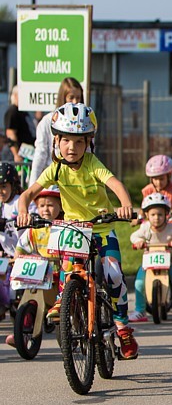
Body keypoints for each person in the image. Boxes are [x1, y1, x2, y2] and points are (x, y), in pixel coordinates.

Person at [16, 103, 139, 359]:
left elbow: (114, 183)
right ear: (56, 141)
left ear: (89, 143)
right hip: (73, 230)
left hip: (101, 228)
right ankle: (64, 299)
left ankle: (122, 325)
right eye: (66, 141)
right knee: (68, 269)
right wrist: (23, 209)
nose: (72, 148)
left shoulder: (93, 164)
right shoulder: (56, 169)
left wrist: (125, 205)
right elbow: (28, 193)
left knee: (114, 274)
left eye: (79, 142)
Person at [5, 187, 63, 346]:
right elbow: (22, 245)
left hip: (59, 276)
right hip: (40, 273)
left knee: (64, 300)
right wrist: (17, 256)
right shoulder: (35, 230)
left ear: (61, 206)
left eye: (50, 205)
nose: (46, 209)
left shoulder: (63, 228)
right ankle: (24, 329)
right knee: (28, 296)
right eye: (42, 205)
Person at [128, 193, 172, 323]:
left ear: (166, 214)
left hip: (169, 262)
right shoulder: (145, 228)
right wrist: (139, 242)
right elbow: (134, 236)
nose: (156, 218)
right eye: (153, 215)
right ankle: (140, 310)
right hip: (149, 262)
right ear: (147, 215)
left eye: (160, 214)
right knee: (139, 283)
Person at [30, 77, 85, 184]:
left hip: (76, 181)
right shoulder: (47, 121)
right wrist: (32, 186)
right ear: (62, 97)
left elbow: (89, 153)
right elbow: (40, 154)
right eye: (71, 97)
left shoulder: (84, 122)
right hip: (53, 181)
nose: (75, 102)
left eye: (78, 98)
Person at [0, 163, 21, 320]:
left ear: (13, 185)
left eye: (4, 186)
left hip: (22, 253)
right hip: (5, 255)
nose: (1, 191)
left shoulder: (20, 202)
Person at [142, 155, 172, 222]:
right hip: (154, 223)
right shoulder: (148, 190)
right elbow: (143, 207)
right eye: (155, 179)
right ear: (151, 179)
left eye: (162, 179)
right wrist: (139, 217)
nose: (159, 182)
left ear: (168, 177)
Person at [4, 86, 35, 163]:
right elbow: (10, 134)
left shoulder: (23, 111)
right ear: (15, 96)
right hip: (19, 154)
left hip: (28, 153)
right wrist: (16, 154)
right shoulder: (13, 111)